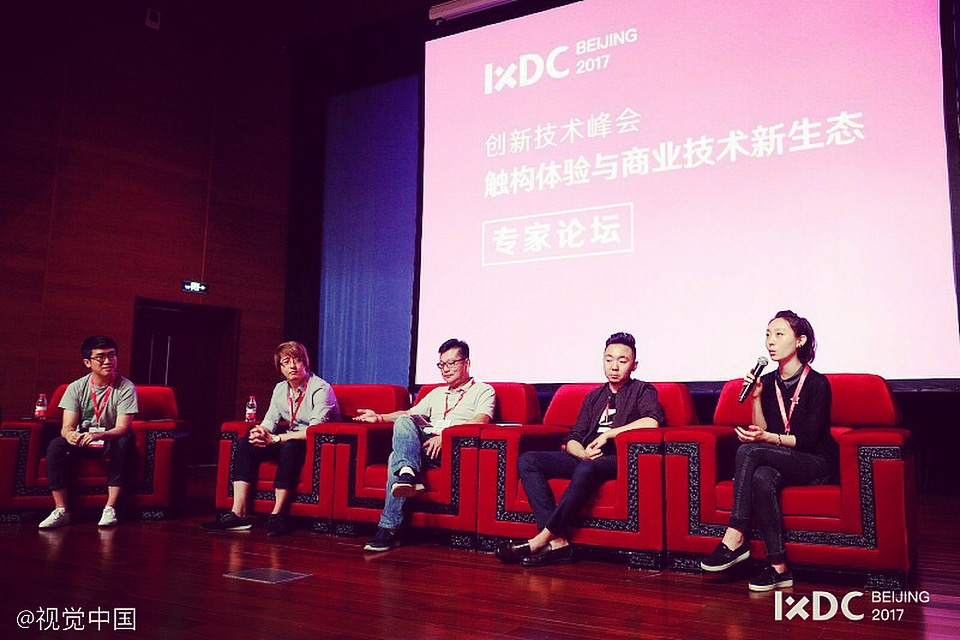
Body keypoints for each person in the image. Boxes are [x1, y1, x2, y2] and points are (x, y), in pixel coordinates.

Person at [496, 332, 664, 567]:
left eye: (622, 361)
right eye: (609, 359)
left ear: (634, 365)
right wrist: (581, 453)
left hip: (617, 456)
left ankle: (541, 539)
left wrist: (609, 434)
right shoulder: (595, 396)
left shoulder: (643, 390)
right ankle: (559, 542)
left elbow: (651, 421)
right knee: (528, 460)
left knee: (586, 469)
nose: (614, 366)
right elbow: (574, 437)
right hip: (587, 455)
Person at [700, 310, 837, 591]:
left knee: (749, 452)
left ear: (800, 341)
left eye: (779, 334)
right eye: (767, 335)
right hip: (784, 458)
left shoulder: (818, 383)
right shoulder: (770, 380)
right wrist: (756, 397)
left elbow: (808, 440)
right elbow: (762, 428)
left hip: (815, 462)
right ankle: (779, 568)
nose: (770, 341)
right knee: (762, 477)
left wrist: (766, 438)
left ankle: (736, 534)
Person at [356, 338, 495, 552]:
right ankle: (407, 472)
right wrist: (380, 417)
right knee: (404, 422)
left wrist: (446, 436)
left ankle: (389, 527)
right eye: (442, 364)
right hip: (426, 446)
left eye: (451, 363)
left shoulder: (483, 391)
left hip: (454, 447)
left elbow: (481, 420)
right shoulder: (437, 393)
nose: (445, 369)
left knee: (394, 457)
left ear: (466, 363)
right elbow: (409, 414)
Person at [202, 341, 341, 537]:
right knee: (245, 444)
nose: (292, 366)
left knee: (290, 446)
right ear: (280, 368)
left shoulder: (320, 389)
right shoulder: (280, 389)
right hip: (287, 438)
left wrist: (275, 439)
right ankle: (238, 513)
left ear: (305, 363)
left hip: (317, 444)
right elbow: (270, 421)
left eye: (297, 360)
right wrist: (260, 432)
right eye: (286, 362)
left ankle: (278, 515)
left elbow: (314, 430)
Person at [39, 336, 139, 529]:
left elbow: (123, 427)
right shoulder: (75, 388)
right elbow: (67, 427)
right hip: (84, 440)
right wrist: (71, 435)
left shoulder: (126, 387)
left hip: (110, 440)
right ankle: (61, 509)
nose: (108, 361)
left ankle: (110, 508)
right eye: (101, 357)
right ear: (87, 362)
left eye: (112, 355)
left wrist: (99, 435)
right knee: (57, 444)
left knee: (124, 442)